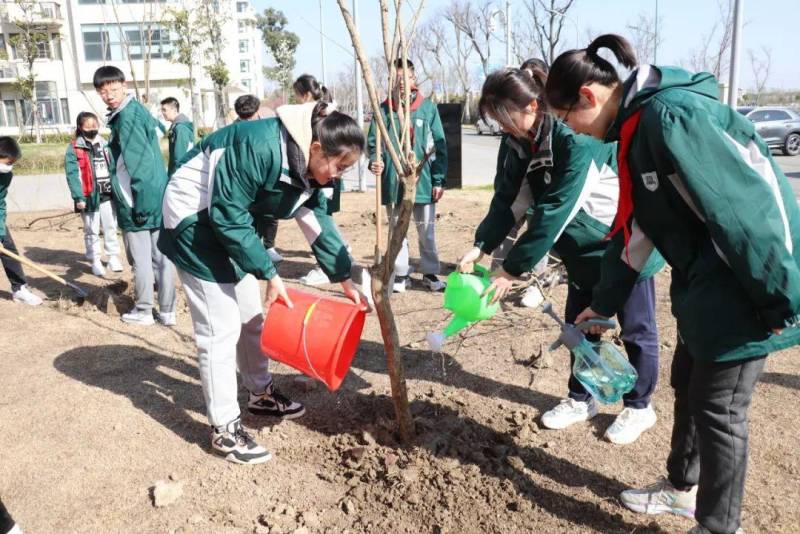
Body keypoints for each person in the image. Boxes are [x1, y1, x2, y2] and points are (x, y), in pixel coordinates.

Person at [546, 34, 800, 534]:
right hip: (705, 289)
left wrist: (780, 299)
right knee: (687, 386)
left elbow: (744, 211)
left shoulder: (672, 117)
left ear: (589, 98)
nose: (569, 131)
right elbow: (637, 232)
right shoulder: (637, 131)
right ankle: (681, 490)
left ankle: (718, 526)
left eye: (565, 118)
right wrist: (602, 305)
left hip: (743, 290)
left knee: (720, 411)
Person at [458, 65, 663, 444]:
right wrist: (482, 245)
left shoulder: (578, 139)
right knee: (578, 328)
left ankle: (639, 406)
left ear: (534, 106)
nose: (502, 127)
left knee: (636, 328)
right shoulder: (518, 141)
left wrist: (511, 270)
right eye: (495, 120)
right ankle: (581, 397)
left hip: (621, 246)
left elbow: (557, 207)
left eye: (505, 116)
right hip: (579, 251)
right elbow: (509, 198)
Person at [158, 100, 370, 464]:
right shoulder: (257, 146)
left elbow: (314, 217)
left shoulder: (307, 165)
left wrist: (343, 275)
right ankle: (224, 429)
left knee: (250, 316)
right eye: (340, 166)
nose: (338, 175)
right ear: (316, 149)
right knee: (219, 327)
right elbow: (226, 213)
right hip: (195, 221)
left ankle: (260, 393)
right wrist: (269, 272)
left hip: (230, 224)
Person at [93, 66, 177, 326]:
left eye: (113, 89)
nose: (109, 96)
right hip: (157, 193)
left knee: (140, 260)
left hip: (137, 198)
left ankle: (143, 310)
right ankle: (167, 310)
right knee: (162, 257)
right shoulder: (138, 110)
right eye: (103, 92)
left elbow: (137, 163)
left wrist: (139, 202)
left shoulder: (126, 116)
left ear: (124, 85)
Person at [367, 59, 448, 293]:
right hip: (394, 181)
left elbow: (439, 146)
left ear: (414, 78)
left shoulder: (427, 108)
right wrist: (375, 160)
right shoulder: (383, 110)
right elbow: (374, 143)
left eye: (406, 78)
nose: (402, 83)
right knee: (397, 229)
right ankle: (401, 273)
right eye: (397, 79)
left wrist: (438, 179)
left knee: (426, 229)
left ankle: (430, 272)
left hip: (422, 181)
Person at [292, 74, 343, 286]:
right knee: (320, 219)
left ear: (304, 95)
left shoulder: (315, 116)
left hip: (319, 181)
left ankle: (328, 264)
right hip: (322, 180)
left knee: (318, 220)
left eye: (296, 96)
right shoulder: (326, 112)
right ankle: (334, 256)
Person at [64, 111, 123, 277]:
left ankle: (112, 256)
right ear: (80, 128)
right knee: (92, 229)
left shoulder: (105, 144)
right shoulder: (75, 148)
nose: (92, 128)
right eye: (88, 126)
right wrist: (78, 197)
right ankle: (95, 259)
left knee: (111, 226)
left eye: (95, 125)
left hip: (107, 194)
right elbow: (72, 174)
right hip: (89, 196)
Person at [234, 94, 284, 265]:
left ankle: (269, 247)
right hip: (245, 179)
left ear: (257, 111)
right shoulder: (234, 129)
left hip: (269, 175)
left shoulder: (269, 125)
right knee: (249, 214)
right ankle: (253, 249)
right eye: (243, 118)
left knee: (270, 213)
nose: (247, 122)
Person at [0, 137, 41, 306]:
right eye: (7, 162)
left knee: (7, 247)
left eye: (12, 163)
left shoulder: (5, 175)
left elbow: (0, 203)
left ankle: (19, 289)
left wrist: (0, 233)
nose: (9, 166)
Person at [160, 97, 195, 176]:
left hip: (181, 176)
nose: (162, 113)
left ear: (174, 110)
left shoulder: (180, 129)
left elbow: (179, 157)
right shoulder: (177, 127)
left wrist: (174, 177)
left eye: (165, 110)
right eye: (162, 110)